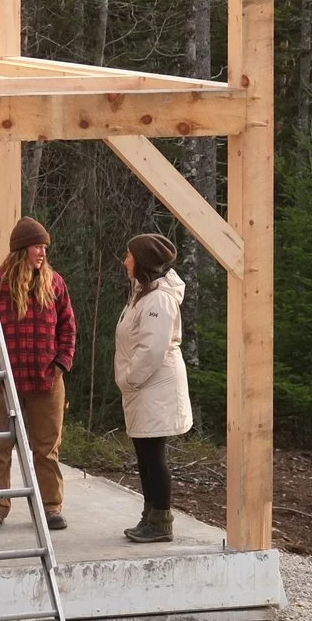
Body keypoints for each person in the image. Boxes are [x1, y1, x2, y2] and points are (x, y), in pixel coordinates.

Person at [0, 218, 78, 534]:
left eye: (45, 247)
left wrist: (61, 364)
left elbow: (68, 328)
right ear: (22, 249)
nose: (43, 253)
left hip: (46, 380)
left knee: (46, 448)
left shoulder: (55, 283)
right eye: (38, 246)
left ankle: (51, 507)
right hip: (1, 379)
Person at [113, 232, 189, 543]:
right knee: (145, 455)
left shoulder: (158, 299)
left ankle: (161, 521)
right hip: (144, 389)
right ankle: (151, 514)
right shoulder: (143, 293)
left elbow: (152, 349)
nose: (125, 260)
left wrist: (130, 378)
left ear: (142, 262)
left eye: (130, 255)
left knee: (154, 456)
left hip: (153, 387)